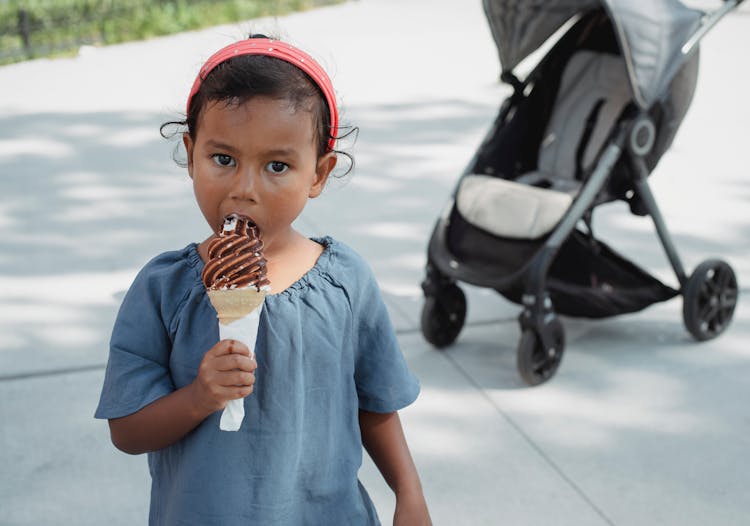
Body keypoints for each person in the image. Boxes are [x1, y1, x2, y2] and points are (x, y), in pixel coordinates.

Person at [95, 35, 432, 525]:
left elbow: (376, 404)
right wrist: (198, 398)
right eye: (223, 159)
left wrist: (409, 492)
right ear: (190, 155)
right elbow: (126, 431)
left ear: (318, 174)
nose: (244, 190)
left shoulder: (345, 281)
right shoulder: (163, 289)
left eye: (277, 166)